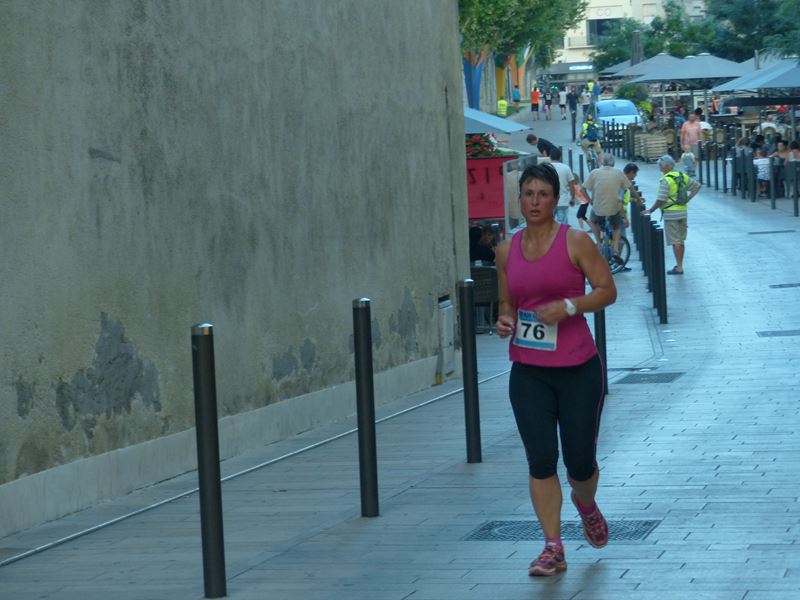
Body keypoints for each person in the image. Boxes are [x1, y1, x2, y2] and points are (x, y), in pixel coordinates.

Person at [495, 163, 617, 577]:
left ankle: (586, 505)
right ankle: (552, 546)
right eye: (527, 194)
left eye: (542, 194)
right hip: (528, 371)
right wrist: (505, 319)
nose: (534, 201)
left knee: (579, 462)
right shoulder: (506, 250)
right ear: (520, 199)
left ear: (555, 198)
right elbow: (507, 301)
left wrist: (568, 306)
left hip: (578, 368)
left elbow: (607, 290)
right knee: (540, 459)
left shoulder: (576, 243)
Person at [641, 155, 701, 275]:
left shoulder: (666, 180)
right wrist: (687, 199)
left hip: (671, 213)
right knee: (681, 240)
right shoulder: (681, 176)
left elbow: (661, 199)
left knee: (675, 241)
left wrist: (651, 210)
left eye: (660, 165)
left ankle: (679, 267)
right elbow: (696, 186)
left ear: (666, 167)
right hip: (683, 212)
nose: (659, 167)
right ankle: (679, 264)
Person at [584, 154, 632, 263]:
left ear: (603, 163)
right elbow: (630, 187)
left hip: (598, 208)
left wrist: (590, 201)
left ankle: (599, 244)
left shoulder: (594, 172)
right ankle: (615, 250)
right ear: (613, 164)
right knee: (616, 226)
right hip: (614, 208)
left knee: (593, 221)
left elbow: (583, 189)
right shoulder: (619, 173)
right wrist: (638, 199)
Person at [548, 148, 577, 224]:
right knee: (562, 225)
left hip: (549, 201)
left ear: (550, 157)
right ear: (560, 157)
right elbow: (572, 185)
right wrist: (573, 198)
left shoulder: (546, 168)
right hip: (563, 201)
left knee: (549, 224)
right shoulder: (566, 168)